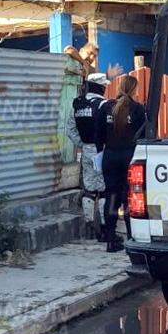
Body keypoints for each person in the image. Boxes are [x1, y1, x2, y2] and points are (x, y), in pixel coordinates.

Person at [94, 75, 147, 253]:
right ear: (134, 89)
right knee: (131, 198)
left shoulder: (106, 107)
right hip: (130, 157)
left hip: (110, 156)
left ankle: (110, 239)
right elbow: (145, 135)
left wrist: (101, 153)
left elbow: (98, 136)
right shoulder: (138, 109)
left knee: (112, 197)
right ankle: (132, 239)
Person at [67, 73, 110, 242]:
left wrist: (83, 144)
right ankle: (105, 228)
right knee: (104, 190)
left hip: (86, 151)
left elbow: (69, 129)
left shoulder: (78, 105)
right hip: (102, 151)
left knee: (89, 190)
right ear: (100, 87)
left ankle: (89, 226)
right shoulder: (104, 105)